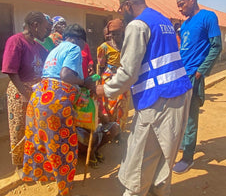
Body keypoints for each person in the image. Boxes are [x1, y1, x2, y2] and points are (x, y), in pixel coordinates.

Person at [95, 0, 192, 195]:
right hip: (179, 92)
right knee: (165, 155)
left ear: (128, 5)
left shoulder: (137, 25)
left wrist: (104, 89)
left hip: (158, 98)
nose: (122, 14)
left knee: (140, 159)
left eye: (122, 9)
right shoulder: (162, 20)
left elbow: (128, 73)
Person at [22, 24, 93, 196]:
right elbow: (65, 75)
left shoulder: (55, 49)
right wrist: (85, 82)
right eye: (84, 44)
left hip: (38, 97)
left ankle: (42, 175)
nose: (83, 48)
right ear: (78, 39)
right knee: (64, 144)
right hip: (54, 102)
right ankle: (64, 187)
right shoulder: (74, 48)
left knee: (41, 141)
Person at [172, 0, 222, 174]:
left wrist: (201, 70)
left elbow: (216, 46)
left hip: (194, 75)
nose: (179, 9)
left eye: (181, 4)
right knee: (181, 114)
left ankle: (187, 158)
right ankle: (185, 144)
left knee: (191, 117)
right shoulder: (185, 24)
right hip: (181, 75)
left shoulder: (208, 17)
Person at [1, 12, 49, 168]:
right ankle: (19, 165)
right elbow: (11, 71)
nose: (46, 32)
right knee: (19, 128)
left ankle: (33, 161)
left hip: (35, 93)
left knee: (35, 128)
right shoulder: (16, 42)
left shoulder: (38, 47)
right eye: (44, 28)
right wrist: (26, 94)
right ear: (35, 25)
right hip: (19, 92)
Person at [97, 18, 130, 131]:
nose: (116, 36)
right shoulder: (104, 47)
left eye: (118, 33)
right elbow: (101, 66)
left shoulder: (127, 46)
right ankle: (110, 129)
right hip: (108, 78)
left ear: (122, 32)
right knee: (109, 104)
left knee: (122, 103)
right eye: (113, 34)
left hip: (123, 77)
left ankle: (120, 129)